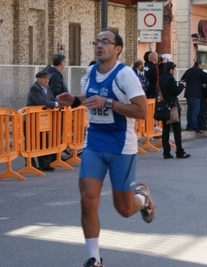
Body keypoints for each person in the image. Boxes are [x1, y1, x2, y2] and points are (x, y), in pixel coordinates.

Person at [56, 29, 155, 267]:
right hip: (94, 143)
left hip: (122, 146)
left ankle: (143, 199)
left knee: (124, 209)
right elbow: (93, 98)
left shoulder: (125, 75)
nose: (99, 45)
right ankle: (94, 258)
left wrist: (109, 103)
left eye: (105, 42)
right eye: (97, 42)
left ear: (117, 48)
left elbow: (141, 111)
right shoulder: (90, 72)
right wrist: (76, 100)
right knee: (88, 199)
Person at [26, 70, 60, 171]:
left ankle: (45, 165)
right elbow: (41, 102)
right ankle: (30, 164)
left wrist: (59, 103)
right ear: (38, 79)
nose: (47, 80)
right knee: (31, 141)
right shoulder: (34, 88)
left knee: (43, 141)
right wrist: (55, 105)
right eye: (44, 78)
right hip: (32, 118)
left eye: (48, 78)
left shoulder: (48, 88)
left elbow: (52, 99)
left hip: (42, 119)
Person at [159, 61, 191, 159]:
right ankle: (179, 151)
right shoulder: (170, 78)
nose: (174, 71)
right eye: (174, 69)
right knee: (177, 130)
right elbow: (176, 91)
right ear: (171, 69)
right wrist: (182, 85)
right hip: (172, 106)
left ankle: (166, 152)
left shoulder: (161, 78)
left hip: (164, 106)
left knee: (165, 130)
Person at [181, 60, 207, 133]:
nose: (202, 67)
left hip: (188, 93)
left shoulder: (188, 71)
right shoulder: (198, 71)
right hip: (196, 93)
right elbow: (206, 76)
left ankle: (189, 125)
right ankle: (194, 125)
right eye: (202, 65)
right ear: (199, 65)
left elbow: (183, 78)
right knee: (195, 110)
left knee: (189, 110)